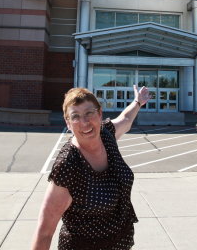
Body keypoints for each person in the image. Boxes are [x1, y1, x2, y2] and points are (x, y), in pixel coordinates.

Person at [31, 84, 150, 250]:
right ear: (68, 123)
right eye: (75, 116)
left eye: (89, 113)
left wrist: (137, 102)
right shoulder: (68, 165)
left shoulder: (106, 134)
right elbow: (44, 232)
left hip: (119, 243)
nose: (84, 122)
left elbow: (126, 119)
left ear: (99, 113)